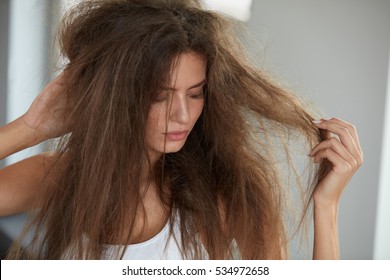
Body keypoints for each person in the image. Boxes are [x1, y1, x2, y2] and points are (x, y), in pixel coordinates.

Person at [0, 0, 363, 260]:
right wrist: (31, 128)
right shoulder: (60, 176)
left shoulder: (223, 196)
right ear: (115, 98)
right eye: (160, 96)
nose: (182, 115)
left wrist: (326, 207)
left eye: (195, 93)